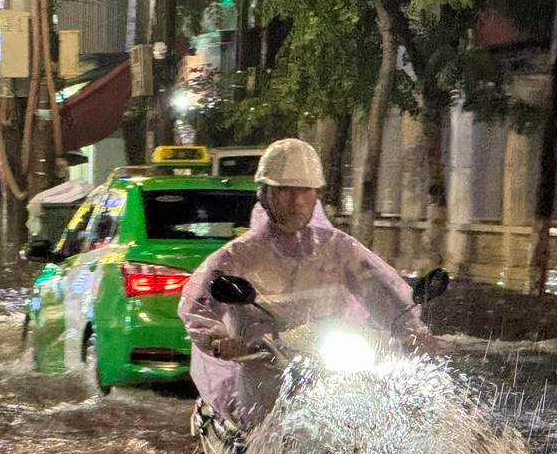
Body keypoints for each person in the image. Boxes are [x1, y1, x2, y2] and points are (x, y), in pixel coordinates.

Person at [178, 137, 441, 437]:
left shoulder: (339, 248)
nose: (298, 201)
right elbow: (198, 308)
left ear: (317, 194)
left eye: (307, 190)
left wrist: (411, 331)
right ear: (264, 193)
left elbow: (381, 293)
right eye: (285, 191)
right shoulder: (235, 258)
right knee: (266, 445)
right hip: (266, 378)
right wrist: (219, 340)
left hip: (334, 370)